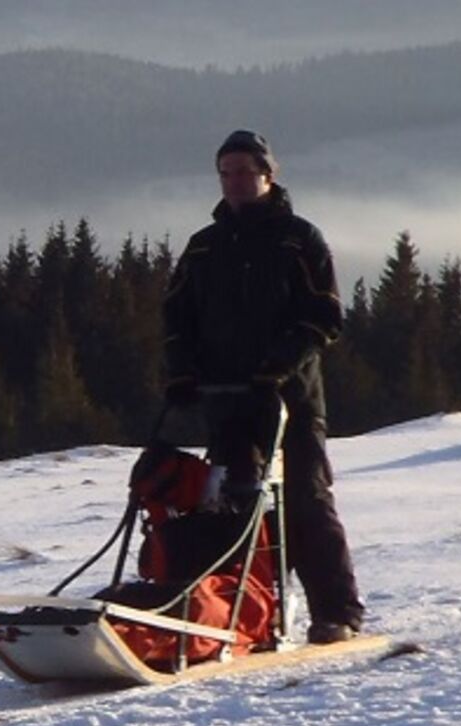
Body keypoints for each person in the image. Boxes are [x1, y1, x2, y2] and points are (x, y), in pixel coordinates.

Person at [161, 129, 364, 644]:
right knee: (230, 505)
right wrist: (181, 369)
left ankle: (336, 613)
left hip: (289, 398)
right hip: (225, 400)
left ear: (268, 175)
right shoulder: (204, 247)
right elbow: (176, 315)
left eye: (244, 172)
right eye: (225, 173)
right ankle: (246, 614)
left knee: (306, 500)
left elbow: (325, 316)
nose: (234, 182)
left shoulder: (299, 239)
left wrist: (279, 365)